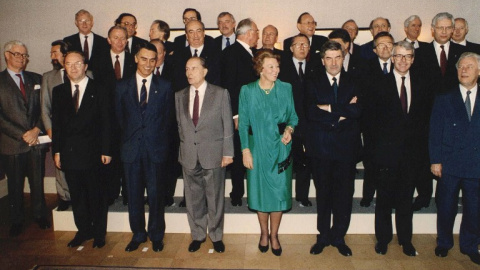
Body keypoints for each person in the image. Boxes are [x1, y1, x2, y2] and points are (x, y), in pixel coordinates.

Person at [371, 41, 431, 257]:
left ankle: (406, 240)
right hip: (385, 155)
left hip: (412, 155)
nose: (403, 60)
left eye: (408, 56)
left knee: (406, 200)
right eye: (399, 56)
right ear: (392, 58)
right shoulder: (379, 83)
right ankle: (383, 240)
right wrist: (374, 155)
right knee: (384, 201)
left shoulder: (423, 84)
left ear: (413, 59)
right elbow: (371, 123)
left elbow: (426, 121)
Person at [115, 42, 173, 253]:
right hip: (131, 151)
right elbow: (120, 120)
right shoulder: (122, 86)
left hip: (155, 150)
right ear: (135, 59)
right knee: (133, 195)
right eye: (144, 59)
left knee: (157, 196)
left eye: (152, 60)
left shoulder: (165, 86)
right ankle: (138, 234)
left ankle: (156, 235)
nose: (148, 64)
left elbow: (168, 120)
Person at [239, 49, 298, 257]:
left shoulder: (286, 88)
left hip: (281, 148)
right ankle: (264, 233)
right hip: (256, 148)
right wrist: (245, 150)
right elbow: (243, 123)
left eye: (277, 66)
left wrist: (289, 130)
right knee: (260, 194)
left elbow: (293, 117)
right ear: (260, 70)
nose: (276, 70)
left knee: (280, 194)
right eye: (271, 67)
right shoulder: (247, 90)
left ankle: (275, 235)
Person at [306, 41, 361, 257]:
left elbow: (358, 110)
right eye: (328, 58)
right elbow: (310, 111)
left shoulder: (355, 80)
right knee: (324, 194)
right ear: (322, 61)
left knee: (344, 195)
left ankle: (339, 237)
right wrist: (341, 113)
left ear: (343, 57)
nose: (333, 62)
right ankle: (323, 236)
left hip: (347, 149)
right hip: (321, 149)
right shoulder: (312, 82)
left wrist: (328, 108)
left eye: (337, 57)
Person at [52, 51, 112, 248]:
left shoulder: (100, 89)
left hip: (94, 153)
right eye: (69, 64)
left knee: (96, 195)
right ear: (64, 67)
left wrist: (106, 150)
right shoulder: (59, 91)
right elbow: (57, 125)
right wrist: (57, 151)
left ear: (86, 66)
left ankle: (99, 234)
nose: (73, 67)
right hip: (69, 154)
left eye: (78, 63)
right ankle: (83, 231)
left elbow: (107, 122)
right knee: (77, 196)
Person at [176, 57, 234, 253]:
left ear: (205, 71)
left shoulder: (219, 93)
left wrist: (228, 153)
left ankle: (216, 236)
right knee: (193, 198)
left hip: (214, 155)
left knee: (215, 198)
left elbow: (228, 125)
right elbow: (180, 127)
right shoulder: (179, 95)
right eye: (187, 69)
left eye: (194, 68)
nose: (189, 72)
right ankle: (198, 234)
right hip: (189, 155)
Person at [429, 52, 480, 265]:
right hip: (449, 163)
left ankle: (469, 245)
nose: (464, 70)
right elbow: (435, 132)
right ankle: (444, 242)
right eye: (461, 67)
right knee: (446, 206)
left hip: (476, 165)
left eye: (469, 66)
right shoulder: (444, 99)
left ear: (479, 71)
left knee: (474, 209)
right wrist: (435, 160)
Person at [0, 40, 50, 237]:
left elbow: (45, 108)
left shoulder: (36, 78)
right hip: (12, 143)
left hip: (36, 141)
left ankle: (39, 215)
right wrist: (22, 134)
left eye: (24, 55)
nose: (22, 58)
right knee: (15, 184)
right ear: (7, 56)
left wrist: (37, 128)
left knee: (37, 181)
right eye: (17, 54)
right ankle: (16, 220)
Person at [221, 18, 259, 207]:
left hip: (254, 113)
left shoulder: (251, 53)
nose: (258, 35)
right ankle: (237, 194)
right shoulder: (231, 53)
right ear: (249, 32)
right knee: (238, 154)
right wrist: (235, 115)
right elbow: (230, 86)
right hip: (240, 115)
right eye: (257, 31)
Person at [278, 34, 319, 207]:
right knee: (284, 162)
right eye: (298, 44)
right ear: (291, 48)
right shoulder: (281, 68)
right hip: (286, 123)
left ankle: (302, 197)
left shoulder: (316, 67)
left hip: (310, 123)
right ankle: (281, 197)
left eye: (306, 44)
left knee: (306, 162)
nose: (302, 47)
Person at [101, 25, 137, 206]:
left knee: (128, 157)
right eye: (115, 38)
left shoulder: (134, 60)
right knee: (110, 156)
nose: (120, 42)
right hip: (106, 117)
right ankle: (110, 192)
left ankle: (128, 193)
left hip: (129, 117)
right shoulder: (97, 61)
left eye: (123, 38)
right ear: (108, 40)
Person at [360, 32, 395, 207]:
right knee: (371, 162)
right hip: (372, 125)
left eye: (389, 44)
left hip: (394, 127)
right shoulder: (365, 68)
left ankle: (389, 197)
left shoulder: (400, 66)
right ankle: (367, 196)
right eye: (381, 44)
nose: (385, 47)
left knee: (391, 163)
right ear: (374, 50)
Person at [41, 40, 71, 211]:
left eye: (55, 52)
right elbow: (44, 107)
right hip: (58, 130)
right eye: (51, 53)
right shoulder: (48, 77)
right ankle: (64, 197)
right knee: (60, 164)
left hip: (81, 131)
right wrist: (50, 128)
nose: (52, 56)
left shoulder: (86, 72)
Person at [172, 20, 220, 91]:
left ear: (204, 33)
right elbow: (176, 81)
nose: (195, 35)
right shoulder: (178, 55)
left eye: (199, 31)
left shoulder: (216, 54)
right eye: (191, 32)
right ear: (187, 36)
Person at [63, 9, 109, 80]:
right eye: (81, 21)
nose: (84, 24)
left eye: (87, 21)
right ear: (76, 23)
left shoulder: (103, 41)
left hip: (98, 82)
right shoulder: (68, 41)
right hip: (75, 80)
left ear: (92, 22)